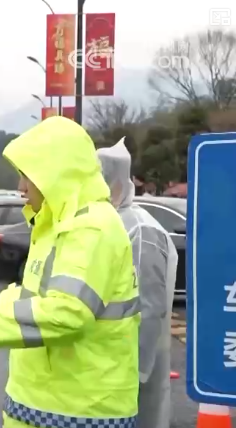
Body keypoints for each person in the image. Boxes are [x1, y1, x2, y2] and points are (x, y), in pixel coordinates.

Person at [0, 116, 141, 428]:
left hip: (79, 411)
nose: (21, 187)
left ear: (57, 173)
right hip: (46, 405)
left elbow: (64, 313)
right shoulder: (56, 224)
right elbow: (34, 298)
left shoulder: (91, 227)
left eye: (28, 175)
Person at [98, 138, 177, 428]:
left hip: (133, 367)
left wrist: (136, 371)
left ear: (117, 184)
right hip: (106, 365)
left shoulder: (140, 229)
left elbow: (150, 307)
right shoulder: (105, 222)